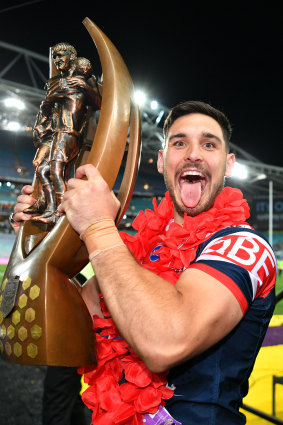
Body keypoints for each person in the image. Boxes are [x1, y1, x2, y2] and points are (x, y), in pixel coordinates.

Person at [11, 101, 277, 424]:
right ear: (162, 161)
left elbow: (165, 341)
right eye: (179, 143)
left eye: (209, 144)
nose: (193, 153)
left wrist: (97, 227)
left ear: (229, 164)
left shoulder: (245, 245)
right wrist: (39, 244)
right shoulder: (135, 252)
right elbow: (74, 320)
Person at [25, 43, 101, 222]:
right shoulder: (54, 82)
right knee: (42, 169)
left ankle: (59, 213)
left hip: (69, 132)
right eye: (55, 57)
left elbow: (99, 103)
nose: (57, 60)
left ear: (72, 57)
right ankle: (48, 205)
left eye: (61, 55)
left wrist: (83, 85)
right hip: (53, 132)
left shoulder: (85, 78)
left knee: (57, 171)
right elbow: (48, 106)